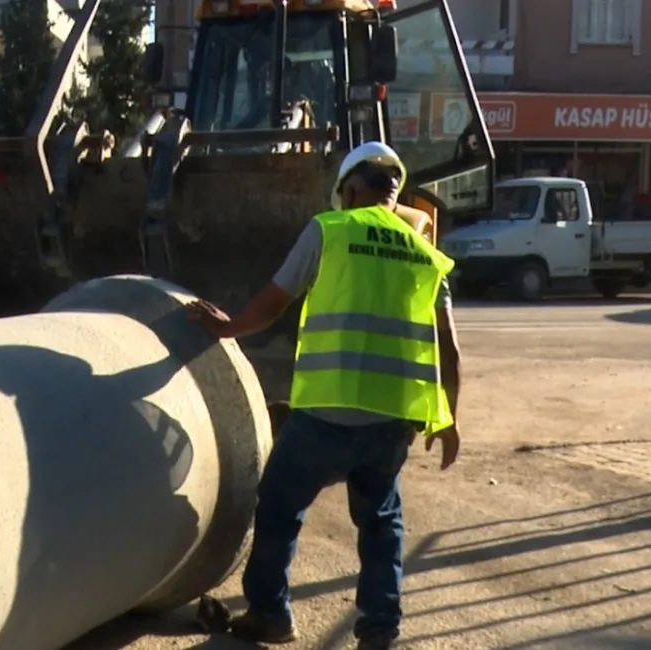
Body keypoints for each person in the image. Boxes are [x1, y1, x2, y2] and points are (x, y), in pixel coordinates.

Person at [186, 141, 462, 649]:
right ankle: (379, 631)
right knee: (381, 525)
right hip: (391, 421)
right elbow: (449, 345)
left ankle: (271, 613)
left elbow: (275, 301)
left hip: (327, 415)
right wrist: (448, 417)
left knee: (279, 507)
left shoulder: (329, 230)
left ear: (351, 189)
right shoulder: (425, 253)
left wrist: (227, 329)